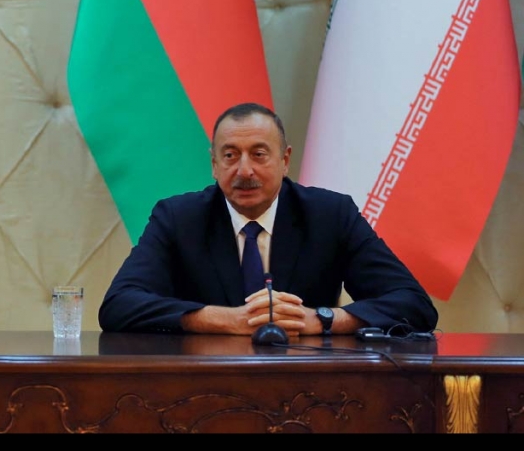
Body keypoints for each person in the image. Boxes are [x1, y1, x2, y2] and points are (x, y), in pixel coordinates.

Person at [99, 102, 438, 336]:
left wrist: (321, 320)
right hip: (204, 382)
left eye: (259, 155)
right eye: (230, 156)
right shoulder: (178, 218)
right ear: (214, 165)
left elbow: (414, 305)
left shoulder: (329, 215)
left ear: (284, 159)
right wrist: (223, 319)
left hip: (308, 385)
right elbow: (118, 306)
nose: (244, 170)